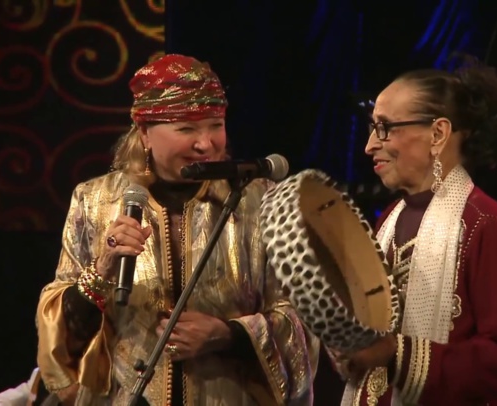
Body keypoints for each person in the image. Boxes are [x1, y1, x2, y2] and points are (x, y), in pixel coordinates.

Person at [35, 54, 318, 406]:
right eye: (187, 129)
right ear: (144, 133)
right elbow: (63, 331)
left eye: (215, 124)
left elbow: (304, 317)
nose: (206, 143)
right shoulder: (93, 200)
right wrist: (104, 267)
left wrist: (229, 334)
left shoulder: (260, 200)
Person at [331, 59, 497, 405]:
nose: (369, 145)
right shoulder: (390, 220)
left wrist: (398, 354)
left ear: (438, 134)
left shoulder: (484, 225)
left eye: (384, 128)